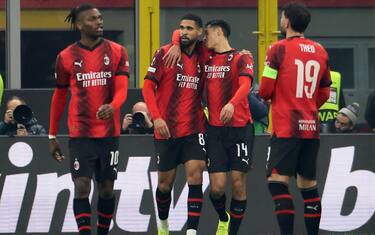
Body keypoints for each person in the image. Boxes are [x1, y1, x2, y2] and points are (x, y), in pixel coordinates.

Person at [48, 4, 129, 235]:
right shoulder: (65, 57)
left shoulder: (117, 51)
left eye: (100, 18)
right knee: (81, 186)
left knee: (106, 189)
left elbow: (122, 89)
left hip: (109, 133)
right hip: (80, 133)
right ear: (79, 25)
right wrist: (52, 135)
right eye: (93, 19)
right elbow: (60, 96)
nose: (99, 22)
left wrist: (113, 106)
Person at [259, 3, 331, 235]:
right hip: (311, 128)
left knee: (277, 182)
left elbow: (265, 90)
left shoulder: (277, 49)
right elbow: (324, 92)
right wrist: (307, 105)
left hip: (286, 127)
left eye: (282, 17)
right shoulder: (320, 50)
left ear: (287, 21)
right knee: (308, 186)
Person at [142, 14, 206, 235]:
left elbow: (221, 45)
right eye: (181, 28)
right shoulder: (164, 53)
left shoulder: (204, 54)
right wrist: (157, 117)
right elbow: (148, 87)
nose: (184, 32)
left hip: (194, 127)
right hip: (166, 128)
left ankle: (192, 231)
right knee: (164, 185)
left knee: (196, 175)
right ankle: (163, 224)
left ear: (200, 32)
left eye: (189, 28)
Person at [202, 19, 254, 235]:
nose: (205, 38)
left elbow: (246, 85)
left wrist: (232, 104)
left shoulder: (242, 57)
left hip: (240, 127)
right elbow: (181, 38)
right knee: (216, 188)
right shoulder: (206, 59)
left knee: (238, 183)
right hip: (214, 130)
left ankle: (232, 231)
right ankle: (224, 217)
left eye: (207, 34)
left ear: (218, 32)